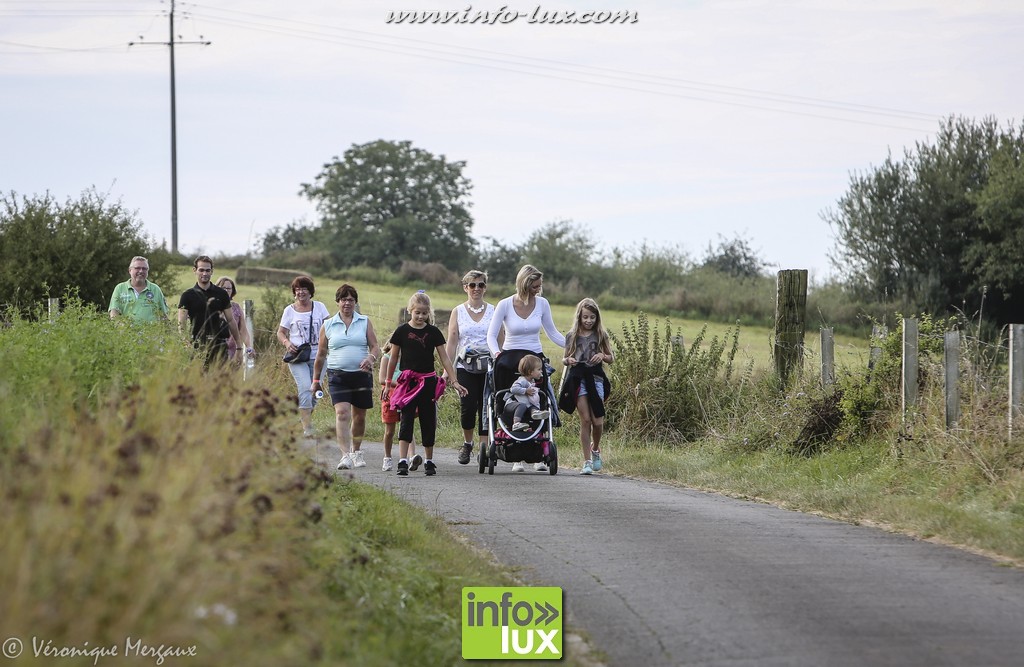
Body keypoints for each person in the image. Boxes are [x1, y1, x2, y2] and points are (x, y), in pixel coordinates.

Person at [486, 264, 566, 472]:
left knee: (537, 398)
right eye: (535, 286)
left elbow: (553, 333)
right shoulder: (504, 305)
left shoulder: (542, 304)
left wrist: (575, 346)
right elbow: (491, 336)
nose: (538, 289)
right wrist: (497, 354)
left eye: (540, 286)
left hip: (534, 357)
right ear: (524, 284)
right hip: (510, 355)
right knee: (509, 394)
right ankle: (516, 456)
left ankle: (539, 453)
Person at [383, 291, 467, 477]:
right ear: (410, 311)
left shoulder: (433, 332)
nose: (420, 317)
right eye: (417, 313)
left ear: (429, 313)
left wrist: (454, 380)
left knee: (428, 421)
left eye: (424, 313)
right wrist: (389, 383)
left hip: (428, 382)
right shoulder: (402, 332)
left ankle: (429, 461)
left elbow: (444, 358)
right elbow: (393, 357)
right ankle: (403, 461)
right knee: (406, 421)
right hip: (408, 383)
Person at [312, 284, 380, 471]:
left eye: (350, 300)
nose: (347, 303)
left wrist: (370, 358)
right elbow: (320, 355)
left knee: (359, 416)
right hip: (337, 375)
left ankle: (356, 451)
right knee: (342, 413)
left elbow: (375, 346)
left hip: (361, 375)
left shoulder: (364, 321)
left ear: (355, 302)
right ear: (337, 302)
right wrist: (316, 381)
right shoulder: (328, 325)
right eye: (343, 299)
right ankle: (345, 455)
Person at [444, 270, 501, 465]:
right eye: (472, 285)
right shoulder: (458, 311)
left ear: (485, 287)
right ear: (465, 287)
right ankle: (468, 443)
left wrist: (500, 362)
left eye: (481, 285)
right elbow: (452, 341)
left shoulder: (494, 310)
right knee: (468, 407)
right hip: (465, 365)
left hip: (488, 365)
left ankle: (484, 448)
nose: (476, 289)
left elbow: (500, 339)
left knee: (486, 407)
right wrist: (447, 369)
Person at [558, 298, 614, 475]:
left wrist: (602, 355)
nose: (588, 321)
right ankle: (587, 461)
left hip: (596, 378)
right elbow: (565, 358)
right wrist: (569, 360)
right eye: (585, 317)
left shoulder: (601, 335)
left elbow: (611, 357)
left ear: (597, 318)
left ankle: (595, 449)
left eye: (592, 317)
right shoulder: (572, 335)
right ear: (579, 317)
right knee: (586, 420)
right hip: (578, 378)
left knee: (598, 422)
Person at [278, 276, 331, 437]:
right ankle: (307, 428)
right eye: (298, 289)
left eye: (304, 289)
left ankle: (302, 418)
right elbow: (280, 332)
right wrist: (287, 343)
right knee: (305, 388)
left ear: (310, 291)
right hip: (297, 356)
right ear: (294, 292)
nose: (301, 292)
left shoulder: (320, 307)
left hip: (319, 357)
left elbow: (329, 327)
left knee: (316, 392)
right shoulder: (289, 310)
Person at [177, 255, 245, 367]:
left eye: (208, 270)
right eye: (201, 270)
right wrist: (186, 344)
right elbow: (181, 324)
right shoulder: (187, 295)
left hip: (219, 346)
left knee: (218, 382)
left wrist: (239, 346)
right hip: (196, 346)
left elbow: (231, 320)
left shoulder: (221, 294)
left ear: (212, 271)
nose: (204, 273)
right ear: (195, 270)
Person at [379, 340, 417, 472]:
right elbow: (381, 379)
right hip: (390, 394)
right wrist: (399, 384)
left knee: (407, 425)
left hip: (406, 394)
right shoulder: (387, 358)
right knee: (390, 430)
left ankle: (412, 457)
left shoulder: (408, 358)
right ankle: (387, 457)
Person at [108, 256, 170, 322]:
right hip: (125, 331)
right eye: (137, 268)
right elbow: (114, 314)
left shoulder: (155, 289)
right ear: (130, 270)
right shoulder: (120, 288)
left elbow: (163, 315)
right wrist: (123, 329)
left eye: (144, 269)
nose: (141, 271)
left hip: (150, 332)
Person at [215, 277, 254, 363]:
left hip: (233, 353)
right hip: (213, 352)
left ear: (232, 291)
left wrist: (249, 347)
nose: (226, 290)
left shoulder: (236, 308)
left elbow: (243, 330)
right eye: (223, 288)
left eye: (228, 288)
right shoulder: (210, 306)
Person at [506, 355, 550, 431]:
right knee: (522, 405)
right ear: (530, 372)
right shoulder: (522, 380)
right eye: (539, 369)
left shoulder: (532, 382)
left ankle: (535, 413)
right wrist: (525, 391)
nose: (541, 371)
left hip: (526, 405)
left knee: (533, 406)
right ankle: (516, 424)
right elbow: (513, 389)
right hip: (513, 404)